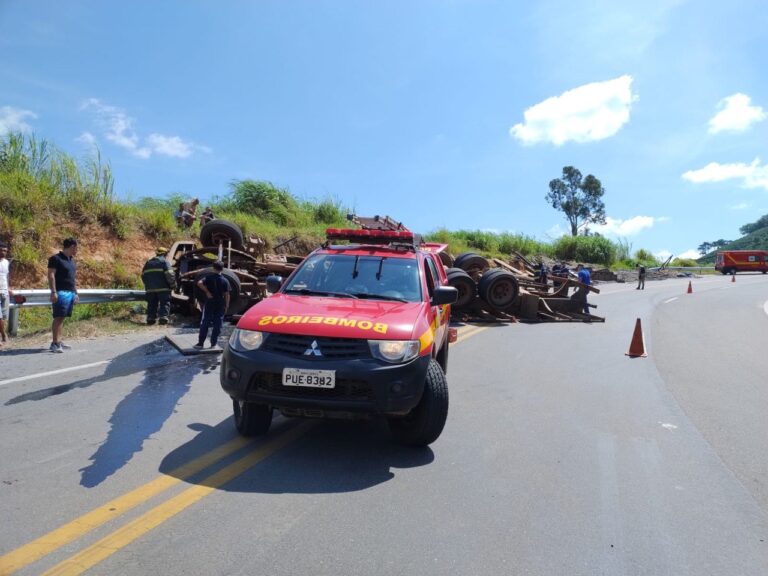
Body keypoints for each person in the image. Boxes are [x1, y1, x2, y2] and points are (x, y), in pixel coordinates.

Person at [47, 238, 79, 353]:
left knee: (62, 317)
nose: (77, 250)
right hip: (60, 292)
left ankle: (59, 341)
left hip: (70, 292)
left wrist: (75, 292)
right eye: (77, 248)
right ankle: (55, 343)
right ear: (72, 247)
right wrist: (53, 291)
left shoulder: (71, 260)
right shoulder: (55, 259)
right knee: (58, 317)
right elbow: (51, 275)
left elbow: (72, 278)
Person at [194, 260, 231, 349]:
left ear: (213, 268)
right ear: (222, 269)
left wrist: (207, 292)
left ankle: (200, 343)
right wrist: (226, 306)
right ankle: (213, 344)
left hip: (210, 302)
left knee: (205, 321)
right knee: (218, 323)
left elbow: (199, 283)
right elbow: (227, 295)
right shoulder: (225, 280)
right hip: (220, 303)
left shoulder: (208, 277)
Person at [141, 247, 175, 325]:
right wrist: (173, 285)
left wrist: (148, 285)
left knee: (152, 304)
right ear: (165, 254)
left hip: (150, 289)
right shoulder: (164, 262)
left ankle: (150, 318)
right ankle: (163, 318)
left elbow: (143, 276)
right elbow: (170, 274)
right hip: (163, 288)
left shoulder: (148, 263)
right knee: (164, 303)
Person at [0, 242, 12, 349]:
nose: (3, 253)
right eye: (1, 250)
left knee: (3, 317)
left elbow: (6, 276)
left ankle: (3, 334)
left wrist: (9, 288)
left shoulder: (6, 262)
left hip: (4, 292)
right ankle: (3, 335)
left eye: (5, 251)